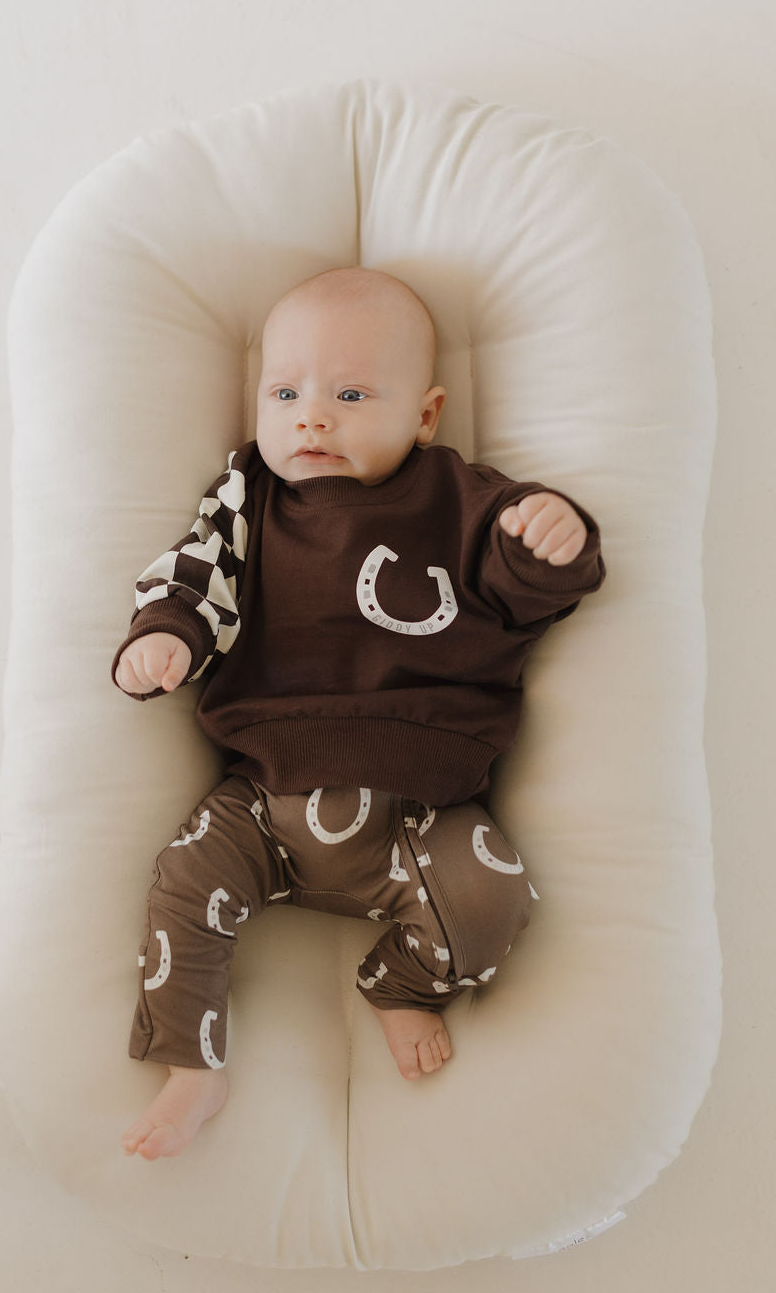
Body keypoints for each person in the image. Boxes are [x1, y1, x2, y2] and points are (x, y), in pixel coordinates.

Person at [114, 267, 605, 1159]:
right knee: (182, 886)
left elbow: (524, 584)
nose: (312, 415)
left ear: (425, 415)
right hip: (262, 800)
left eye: (349, 393)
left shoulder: (456, 498)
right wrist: (170, 638)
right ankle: (193, 1064)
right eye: (285, 392)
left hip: (423, 809)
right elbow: (193, 577)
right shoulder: (247, 502)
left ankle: (402, 983)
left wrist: (549, 532)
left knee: (497, 902)